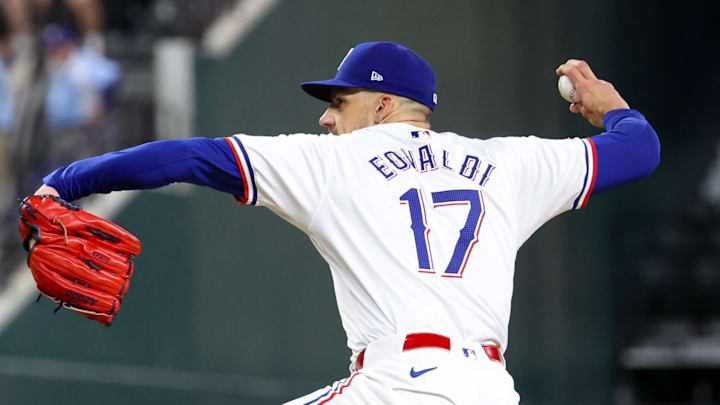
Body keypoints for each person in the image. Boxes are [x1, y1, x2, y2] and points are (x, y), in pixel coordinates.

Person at [31, 42, 660, 403]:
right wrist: (612, 109)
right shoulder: (510, 164)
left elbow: (185, 155)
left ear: (383, 104)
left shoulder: (334, 162)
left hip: (394, 386)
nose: (328, 119)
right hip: (489, 389)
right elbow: (640, 149)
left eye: (340, 102)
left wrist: (65, 182)